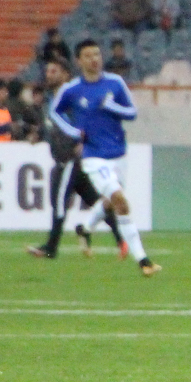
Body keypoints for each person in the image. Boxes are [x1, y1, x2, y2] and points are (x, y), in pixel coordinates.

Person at [48, 40, 160, 277]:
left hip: (118, 154)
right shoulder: (73, 89)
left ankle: (85, 228)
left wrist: (111, 106)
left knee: (110, 202)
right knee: (120, 200)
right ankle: (143, 261)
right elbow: (54, 112)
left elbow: (132, 112)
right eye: (88, 56)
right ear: (79, 61)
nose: (94, 59)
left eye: (97, 54)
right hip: (93, 157)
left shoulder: (115, 83)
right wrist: (73, 132)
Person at [26, 57, 124, 260]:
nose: (49, 74)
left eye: (54, 71)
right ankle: (121, 239)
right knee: (94, 200)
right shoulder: (49, 100)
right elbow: (54, 127)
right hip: (67, 160)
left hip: (70, 159)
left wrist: (85, 142)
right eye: (48, 71)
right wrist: (40, 134)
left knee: (60, 203)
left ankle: (51, 248)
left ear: (65, 74)